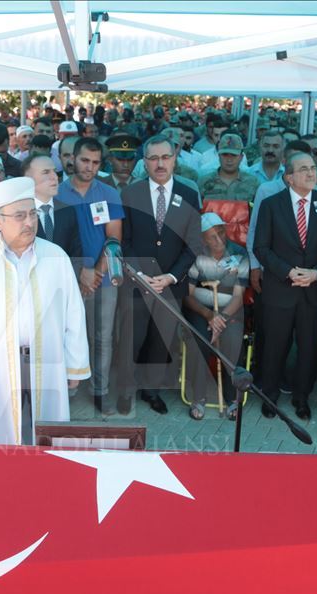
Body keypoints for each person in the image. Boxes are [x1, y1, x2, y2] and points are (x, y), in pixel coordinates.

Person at [0, 177, 89, 445]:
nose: (29, 222)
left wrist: (75, 367)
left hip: (48, 361)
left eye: (32, 214)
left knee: (49, 435)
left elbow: (74, 313)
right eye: (19, 216)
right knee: (4, 437)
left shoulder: (56, 257)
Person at [116, 134, 203, 415]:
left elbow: (192, 245)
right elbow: (124, 241)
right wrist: (139, 273)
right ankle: (126, 389)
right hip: (136, 284)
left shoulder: (189, 195)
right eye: (153, 158)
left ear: (175, 158)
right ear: (145, 162)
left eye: (165, 157)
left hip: (170, 284)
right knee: (132, 338)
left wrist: (171, 277)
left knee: (160, 340)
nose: (160, 163)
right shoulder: (130, 194)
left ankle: (151, 391)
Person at [255, 152, 317, 421]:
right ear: (289, 177)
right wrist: (288, 272)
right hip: (279, 289)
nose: (311, 173)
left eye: (313, 168)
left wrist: (316, 273)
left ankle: (301, 398)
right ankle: (269, 396)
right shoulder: (271, 205)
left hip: (312, 291)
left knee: (307, 349)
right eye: (303, 169)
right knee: (274, 347)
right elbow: (261, 247)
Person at [57, 137, 125, 416]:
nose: (90, 167)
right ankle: (68, 390)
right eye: (85, 160)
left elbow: (114, 239)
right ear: (72, 158)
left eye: (96, 163)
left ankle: (100, 391)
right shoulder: (57, 193)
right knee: (67, 334)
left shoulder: (109, 193)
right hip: (66, 279)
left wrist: (95, 274)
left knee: (102, 337)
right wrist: (79, 275)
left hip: (104, 278)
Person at [182, 213, 247, 421]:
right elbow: (188, 295)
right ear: (203, 239)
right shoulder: (196, 254)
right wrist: (209, 315)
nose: (219, 240)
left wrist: (221, 319)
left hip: (229, 311)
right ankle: (199, 397)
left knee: (232, 341)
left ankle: (231, 399)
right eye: (212, 237)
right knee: (198, 339)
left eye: (221, 232)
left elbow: (238, 296)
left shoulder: (239, 253)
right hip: (201, 309)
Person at [198, 134, 259, 203]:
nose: (229, 159)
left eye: (234, 155)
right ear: (219, 156)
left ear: (241, 157)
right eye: (225, 155)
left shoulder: (252, 183)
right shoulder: (203, 182)